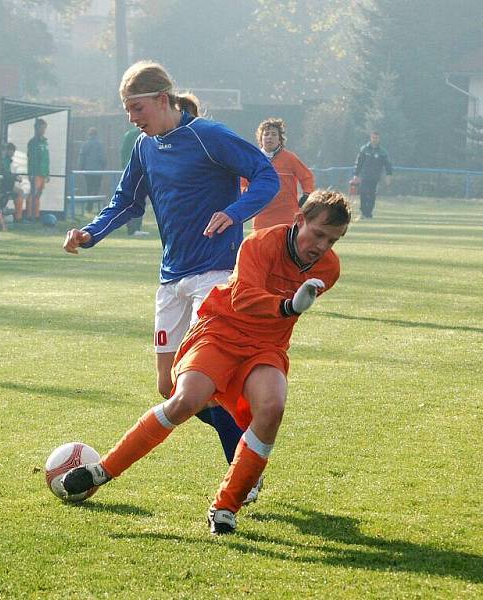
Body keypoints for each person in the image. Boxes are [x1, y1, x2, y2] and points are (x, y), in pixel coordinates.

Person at [61, 190, 351, 535]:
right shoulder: (260, 244)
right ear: (299, 220)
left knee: (272, 408)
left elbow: (280, 312)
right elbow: (242, 298)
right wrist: (288, 305)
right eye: (318, 234)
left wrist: (288, 307)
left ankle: (226, 508)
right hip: (221, 330)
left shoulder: (329, 269)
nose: (322, 246)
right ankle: (102, 471)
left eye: (332, 240)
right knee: (185, 399)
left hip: (265, 345)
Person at [63, 61, 280, 493]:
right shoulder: (144, 147)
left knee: (204, 383)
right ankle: (245, 422)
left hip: (215, 275)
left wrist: (233, 212)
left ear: (163, 100)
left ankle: (244, 473)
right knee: (170, 387)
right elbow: (126, 202)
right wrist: (90, 233)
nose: (132, 118)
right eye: (128, 109)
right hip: (172, 277)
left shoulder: (208, 136)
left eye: (137, 107)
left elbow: (265, 176)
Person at [251, 118, 315, 230]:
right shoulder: (253, 159)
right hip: (261, 215)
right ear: (260, 139)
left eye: (274, 134)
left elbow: (307, 177)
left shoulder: (290, 158)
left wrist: (307, 194)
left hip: (287, 215)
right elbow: (242, 183)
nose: (269, 137)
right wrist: (247, 193)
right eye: (266, 134)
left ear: (280, 139)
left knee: (285, 246)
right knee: (262, 246)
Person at [350, 131, 393, 220]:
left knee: (372, 194)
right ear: (371, 138)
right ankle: (363, 212)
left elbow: (387, 164)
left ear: (379, 139)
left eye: (376, 138)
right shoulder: (364, 149)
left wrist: (389, 175)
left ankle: (368, 213)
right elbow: (359, 162)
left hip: (375, 177)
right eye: (373, 137)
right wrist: (356, 174)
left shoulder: (382, 152)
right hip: (365, 176)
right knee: (363, 193)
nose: (374, 139)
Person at [120, 126, 146, 236]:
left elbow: (123, 152)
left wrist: (124, 168)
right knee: (137, 200)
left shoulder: (129, 135)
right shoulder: (143, 135)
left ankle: (134, 228)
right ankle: (133, 228)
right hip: (141, 171)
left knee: (135, 200)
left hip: (133, 171)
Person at [78, 127, 106, 212]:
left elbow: (82, 157)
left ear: (89, 135)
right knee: (96, 187)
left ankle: (89, 206)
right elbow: (102, 157)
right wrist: (103, 166)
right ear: (96, 135)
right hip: (98, 170)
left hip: (88, 170)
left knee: (89, 187)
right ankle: (92, 204)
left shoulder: (85, 144)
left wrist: (81, 168)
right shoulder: (100, 145)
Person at [27, 118, 49, 221]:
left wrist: (47, 173)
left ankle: (36, 216)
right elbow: (31, 159)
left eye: (45, 128)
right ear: (37, 128)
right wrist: (31, 172)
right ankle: (28, 216)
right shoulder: (33, 142)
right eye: (42, 128)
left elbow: (46, 158)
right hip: (35, 172)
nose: (44, 130)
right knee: (33, 193)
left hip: (43, 173)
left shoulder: (45, 142)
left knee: (39, 194)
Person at [0, 142, 24, 222]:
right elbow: (5, 174)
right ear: (8, 150)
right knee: (20, 192)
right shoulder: (5, 160)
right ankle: (18, 217)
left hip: (5, 183)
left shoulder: (6, 160)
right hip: (3, 185)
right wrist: (15, 177)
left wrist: (14, 177)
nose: (13, 153)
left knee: (19, 192)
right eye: (12, 151)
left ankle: (16, 215)